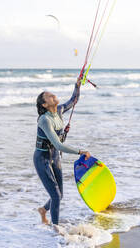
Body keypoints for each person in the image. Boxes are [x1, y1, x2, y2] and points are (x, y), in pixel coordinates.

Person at [33, 77, 91, 226]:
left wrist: (77, 86)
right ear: (45, 104)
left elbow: (73, 100)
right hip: (42, 159)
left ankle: (43, 210)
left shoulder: (59, 110)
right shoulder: (44, 120)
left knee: (59, 195)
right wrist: (80, 151)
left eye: (53, 94)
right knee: (56, 196)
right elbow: (58, 145)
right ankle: (56, 229)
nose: (54, 95)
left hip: (55, 158)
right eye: (50, 96)